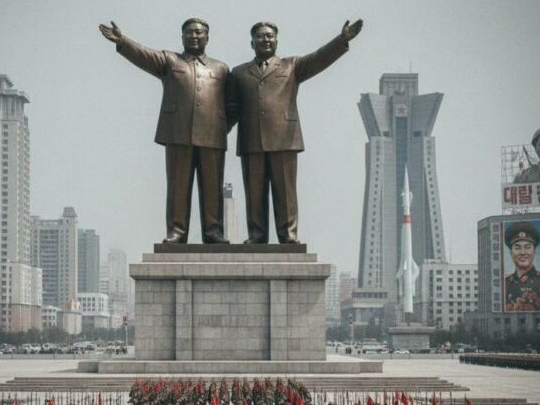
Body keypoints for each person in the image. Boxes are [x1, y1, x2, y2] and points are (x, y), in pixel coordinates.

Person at [227, 19, 362, 244]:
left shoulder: (291, 66)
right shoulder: (238, 73)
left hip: (285, 139)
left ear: (276, 41)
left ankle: (288, 234)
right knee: (254, 192)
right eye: (260, 36)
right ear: (252, 43)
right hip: (251, 141)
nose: (265, 40)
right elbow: (232, 108)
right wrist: (219, 130)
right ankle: (257, 235)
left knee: (285, 193)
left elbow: (319, 58)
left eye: (270, 36)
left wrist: (340, 41)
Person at [98, 19, 231, 244]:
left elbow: (233, 104)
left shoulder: (221, 69)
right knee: (178, 186)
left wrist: (220, 127)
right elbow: (145, 56)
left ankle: (213, 232)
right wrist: (122, 41)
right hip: (177, 135)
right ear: (182, 37)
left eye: (199, 33)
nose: (194, 36)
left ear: (207, 38)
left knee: (212, 187)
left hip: (212, 138)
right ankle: (177, 231)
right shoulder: (170, 61)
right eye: (189, 32)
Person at [504, 221, 540, 311]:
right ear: (511, 253)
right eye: (517, 248)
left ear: (534, 251)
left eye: (527, 247)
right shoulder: (504, 284)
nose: (522, 252)